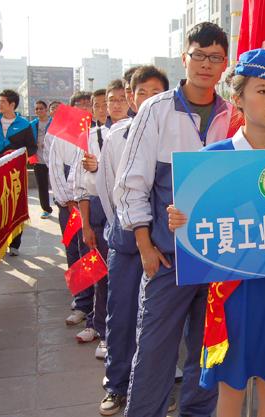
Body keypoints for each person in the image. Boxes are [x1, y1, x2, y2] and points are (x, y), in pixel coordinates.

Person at [166, 48, 265, 417]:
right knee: (232, 387)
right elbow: (197, 225)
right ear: (237, 98)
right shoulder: (214, 157)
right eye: (262, 91)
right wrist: (181, 221)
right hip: (233, 289)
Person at [114, 22, 234, 417]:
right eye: (198, 55)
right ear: (185, 58)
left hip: (215, 261)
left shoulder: (230, 115)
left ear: (224, 64)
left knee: (207, 354)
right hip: (168, 260)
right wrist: (145, 246)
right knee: (154, 354)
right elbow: (131, 183)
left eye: (214, 57)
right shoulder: (157, 109)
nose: (205, 63)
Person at [96, 66, 169, 415]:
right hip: (126, 245)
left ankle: (160, 386)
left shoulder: (174, 133)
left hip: (167, 246)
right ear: (130, 97)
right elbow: (111, 192)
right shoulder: (116, 137)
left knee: (159, 322)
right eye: (142, 93)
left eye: (157, 92)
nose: (149, 99)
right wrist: (130, 234)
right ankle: (116, 384)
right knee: (121, 315)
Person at [73, 80, 130, 357]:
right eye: (111, 100)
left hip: (129, 213)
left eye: (122, 99)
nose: (116, 104)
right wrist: (85, 223)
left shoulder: (139, 132)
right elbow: (82, 187)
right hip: (99, 213)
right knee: (98, 273)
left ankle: (120, 335)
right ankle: (99, 327)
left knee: (126, 282)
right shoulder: (93, 136)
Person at [48, 91, 94, 326]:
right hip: (70, 205)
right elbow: (55, 170)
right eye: (81, 105)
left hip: (91, 204)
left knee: (91, 253)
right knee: (75, 253)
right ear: (72, 108)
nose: (85, 109)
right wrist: (68, 200)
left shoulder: (98, 133)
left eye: (89, 105)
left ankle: (93, 302)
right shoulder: (62, 136)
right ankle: (80, 301)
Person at [0, 89, 37, 256]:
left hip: (15, 173)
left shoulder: (24, 125)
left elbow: (32, 147)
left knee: (15, 206)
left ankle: (14, 243)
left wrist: (17, 154)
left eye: (2, 102)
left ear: (12, 104)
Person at [30, 100, 53, 219]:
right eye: (36, 109)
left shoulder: (53, 122)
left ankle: (63, 205)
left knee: (56, 184)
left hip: (53, 159)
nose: (39, 111)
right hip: (38, 159)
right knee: (42, 185)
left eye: (41, 108)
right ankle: (46, 209)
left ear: (46, 110)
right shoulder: (32, 124)